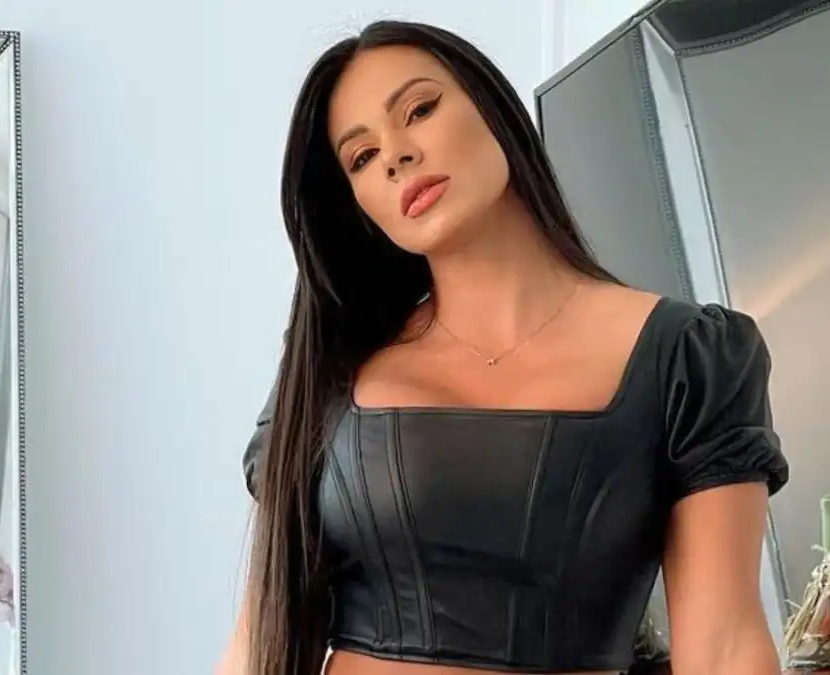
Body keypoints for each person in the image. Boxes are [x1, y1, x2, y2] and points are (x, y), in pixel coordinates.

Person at [217, 19, 789, 675]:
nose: (396, 155)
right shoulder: (327, 372)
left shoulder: (688, 358)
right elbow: (255, 645)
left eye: (419, 110)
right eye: (362, 157)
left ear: (494, 109)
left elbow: (724, 648)